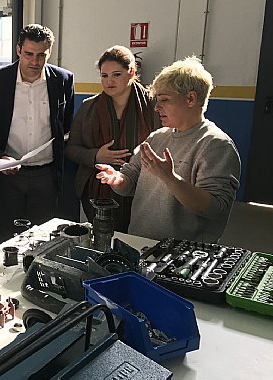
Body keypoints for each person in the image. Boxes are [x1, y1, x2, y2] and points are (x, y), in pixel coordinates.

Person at [96, 56, 241, 243]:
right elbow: (130, 181)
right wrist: (118, 180)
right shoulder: (157, 137)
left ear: (190, 98)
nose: (157, 107)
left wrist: (170, 178)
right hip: (140, 242)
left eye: (164, 100)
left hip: (181, 252)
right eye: (157, 100)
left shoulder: (216, 145)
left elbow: (214, 209)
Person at [0, 24, 75, 244]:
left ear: (49, 52)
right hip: (8, 176)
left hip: (46, 175)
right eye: (29, 54)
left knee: (42, 238)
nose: (34, 61)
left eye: (41, 55)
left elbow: (65, 124)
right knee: (7, 238)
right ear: (18, 50)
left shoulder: (63, 80)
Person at [66, 45, 160, 232]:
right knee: (101, 238)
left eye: (116, 74)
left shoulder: (153, 105)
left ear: (131, 72)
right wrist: (95, 156)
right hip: (97, 188)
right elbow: (72, 148)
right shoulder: (88, 107)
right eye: (104, 75)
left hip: (142, 188)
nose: (109, 81)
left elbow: (166, 142)